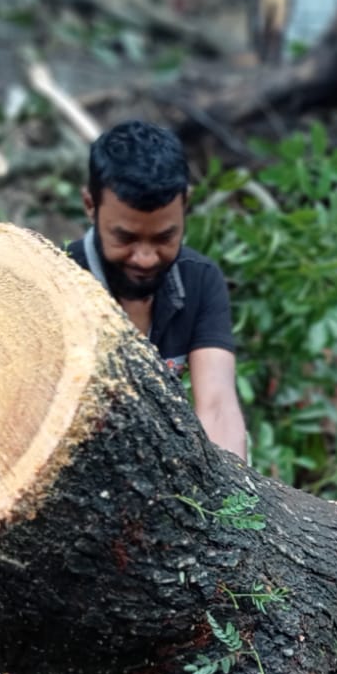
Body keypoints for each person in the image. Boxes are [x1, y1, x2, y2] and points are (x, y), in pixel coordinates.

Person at [66, 120, 248, 460]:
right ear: (90, 205)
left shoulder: (200, 281)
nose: (146, 258)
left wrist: (231, 500)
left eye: (164, 237)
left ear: (186, 204)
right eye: (126, 238)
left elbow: (218, 406)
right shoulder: (55, 282)